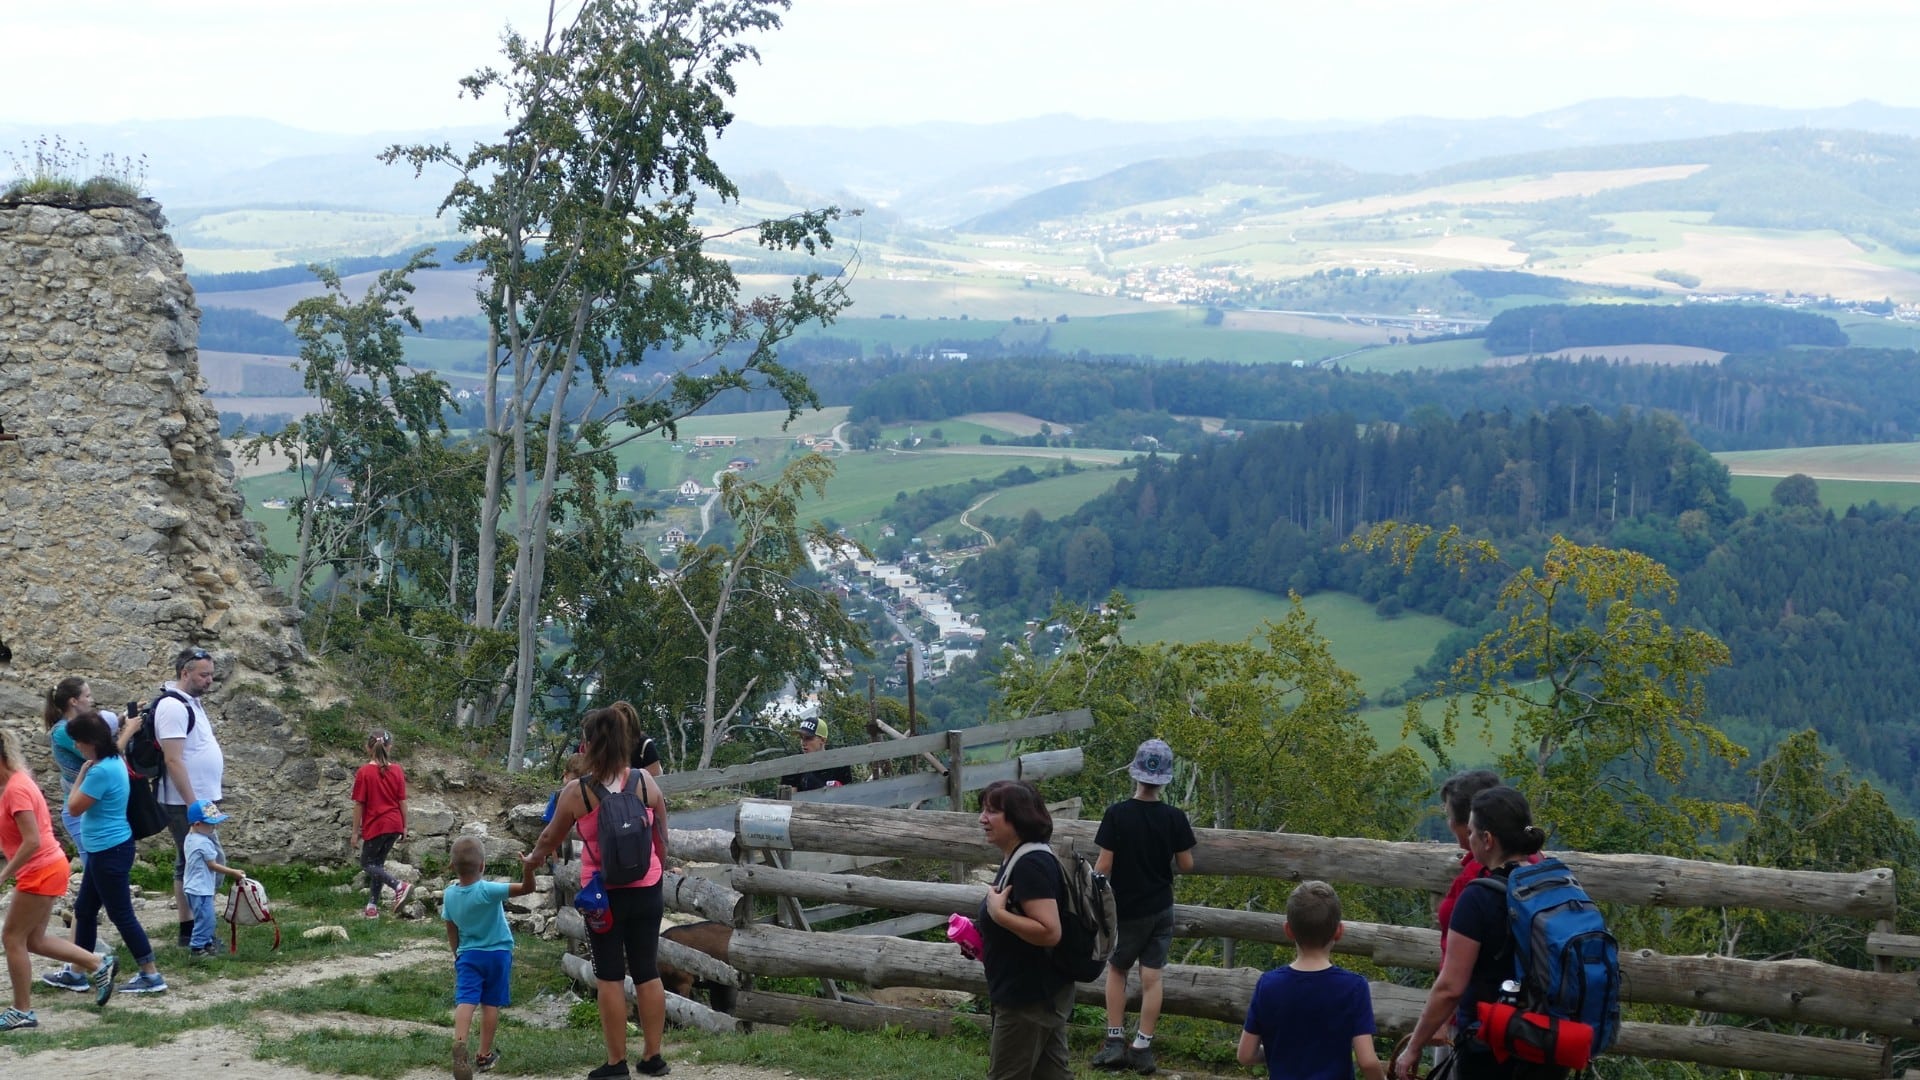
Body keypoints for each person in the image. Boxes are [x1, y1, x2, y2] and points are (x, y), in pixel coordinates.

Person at [526, 706, 670, 1079]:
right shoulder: (643, 781)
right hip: (647, 888)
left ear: (588, 745)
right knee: (646, 971)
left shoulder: (577, 792)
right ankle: (653, 1057)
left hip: (602, 896)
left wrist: (533, 858)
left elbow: (549, 838)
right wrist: (659, 870)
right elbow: (662, 834)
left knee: (608, 975)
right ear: (626, 741)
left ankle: (615, 1063)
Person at [1391, 786, 1561, 1080]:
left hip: (1491, 1048)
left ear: (1488, 839)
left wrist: (1414, 1047)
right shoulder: (1555, 880)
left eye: (1471, 832)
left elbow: (1450, 988)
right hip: (1548, 1044)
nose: (1467, 840)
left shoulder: (1479, 897)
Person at [1092, 738, 1197, 1074]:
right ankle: (1142, 1046)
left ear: (1135, 774)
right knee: (1153, 977)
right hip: (1161, 909)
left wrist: (1090, 887)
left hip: (1127, 909)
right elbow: (1187, 863)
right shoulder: (1174, 817)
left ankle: (1113, 1043)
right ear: (1164, 779)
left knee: (1118, 970)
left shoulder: (1117, 814)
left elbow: (1104, 865)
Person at [0, 728, 117, 1028]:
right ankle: (96, 962)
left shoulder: (16, 789)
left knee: (12, 937)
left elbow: (32, 841)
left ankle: (22, 1010)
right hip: (48, 866)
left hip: (40, 869)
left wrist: (3, 875)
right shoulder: (14, 784)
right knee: (34, 940)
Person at [1238, 880, 1384, 1080]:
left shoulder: (1268, 984)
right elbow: (1367, 1061)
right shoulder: (1353, 987)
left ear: (1288, 930)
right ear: (1339, 931)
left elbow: (1245, 1055)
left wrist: (1277, 1054)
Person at [65, 711, 167, 995]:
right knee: (84, 911)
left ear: (89, 742)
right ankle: (78, 971)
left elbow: (73, 807)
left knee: (121, 914)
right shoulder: (114, 759)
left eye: (77, 741)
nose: (75, 747)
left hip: (109, 851)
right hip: (106, 850)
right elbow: (117, 746)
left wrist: (81, 775)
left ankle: (151, 974)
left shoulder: (99, 771)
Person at [977, 779, 1073, 1080]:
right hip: (1038, 994)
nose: (982, 818)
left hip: (1027, 999)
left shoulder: (1030, 864)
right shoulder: (1021, 856)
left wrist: (998, 916)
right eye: (983, 810)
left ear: (1017, 818)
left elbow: (1049, 931)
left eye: (992, 812)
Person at [38, 677, 124, 993]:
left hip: (88, 811)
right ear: (74, 701)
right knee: (93, 886)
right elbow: (106, 758)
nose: (92, 699)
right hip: (80, 812)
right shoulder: (65, 732)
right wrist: (124, 732)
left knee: (91, 890)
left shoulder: (78, 728)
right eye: (87, 695)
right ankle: (80, 960)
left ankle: (78, 963)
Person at [146, 646, 224, 949]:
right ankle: (199, 932)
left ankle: (189, 928)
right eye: (204, 675)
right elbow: (173, 759)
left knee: (188, 862)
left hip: (199, 800)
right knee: (208, 864)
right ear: (185, 673)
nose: (209, 681)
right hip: (185, 803)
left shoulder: (191, 702)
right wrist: (194, 804)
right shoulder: (173, 707)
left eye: (211, 675)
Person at [445, 835, 539, 1079]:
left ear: (452, 866)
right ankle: (484, 1054)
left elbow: (451, 928)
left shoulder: (449, 895)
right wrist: (528, 869)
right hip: (497, 954)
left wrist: (457, 954)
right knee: (490, 1004)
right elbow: (528, 889)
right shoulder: (488, 890)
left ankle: (460, 1041)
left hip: (467, 955)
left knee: (466, 1000)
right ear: (483, 865)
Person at [350, 728, 411, 919]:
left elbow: (359, 804)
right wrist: (405, 826)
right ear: (389, 747)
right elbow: (402, 801)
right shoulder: (397, 770)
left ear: (368, 748)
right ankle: (372, 906)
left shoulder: (364, 772)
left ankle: (398, 886)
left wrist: (354, 832)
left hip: (377, 825)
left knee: (367, 864)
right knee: (378, 864)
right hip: (394, 824)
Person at [183, 799, 245, 957]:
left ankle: (207, 943)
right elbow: (213, 865)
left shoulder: (190, 837)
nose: (214, 827)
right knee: (207, 920)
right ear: (197, 824)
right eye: (210, 824)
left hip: (192, 887)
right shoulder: (203, 843)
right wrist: (234, 872)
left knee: (202, 918)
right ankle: (197, 948)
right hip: (201, 889)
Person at [778, 717, 851, 793]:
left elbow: (847, 796)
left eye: (808, 738)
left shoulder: (840, 764)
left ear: (823, 740)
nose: (803, 743)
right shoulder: (793, 765)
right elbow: (789, 800)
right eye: (801, 738)